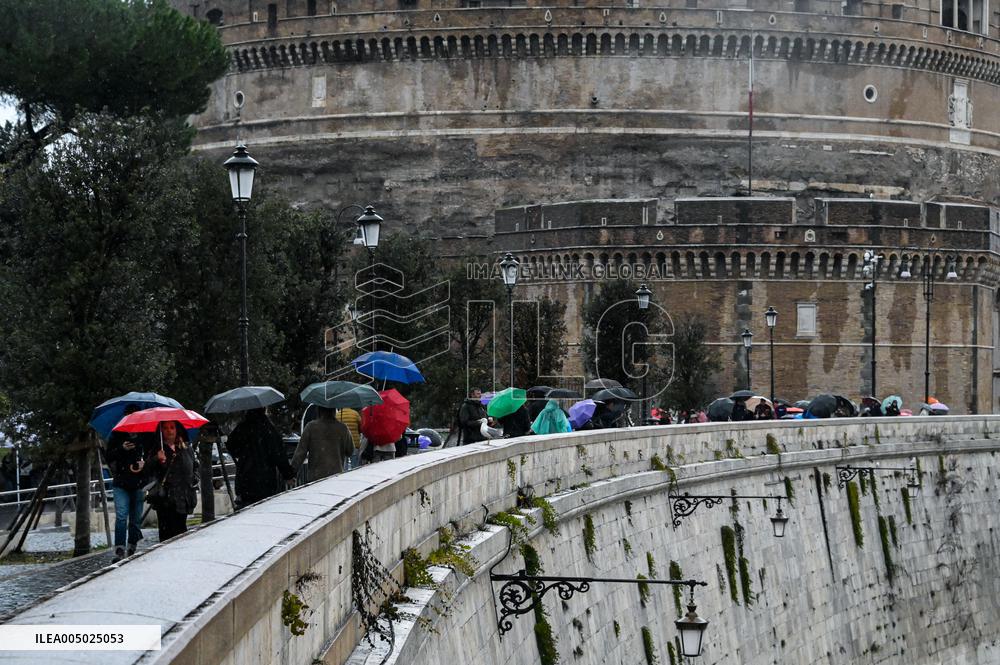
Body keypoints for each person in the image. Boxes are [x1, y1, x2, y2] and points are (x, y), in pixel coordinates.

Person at [226, 408, 296, 509]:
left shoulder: (242, 427)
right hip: (265, 480)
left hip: (245, 479)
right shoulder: (268, 429)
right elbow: (279, 454)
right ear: (263, 409)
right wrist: (288, 475)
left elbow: (231, 447)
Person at [106, 405, 149, 561]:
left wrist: (146, 463)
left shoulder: (145, 435)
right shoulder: (117, 434)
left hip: (139, 483)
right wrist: (121, 449)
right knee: (122, 516)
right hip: (121, 482)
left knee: (135, 519)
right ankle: (119, 549)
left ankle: (132, 546)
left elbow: (152, 455)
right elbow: (108, 456)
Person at [144, 421, 198, 542]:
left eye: (172, 427)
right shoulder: (157, 449)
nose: (169, 431)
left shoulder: (185, 448)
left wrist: (193, 482)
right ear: (161, 431)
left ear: (177, 430)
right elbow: (147, 470)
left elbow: (193, 468)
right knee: (166, 533)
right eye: (166, 428)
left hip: (182, 497)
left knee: (181, 532)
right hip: (165, 499)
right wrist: (157, 459)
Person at [292, 407, 355, 481]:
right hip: (336, 476)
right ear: (334, 411)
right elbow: (350, 451)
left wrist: (291, 473)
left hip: (315, 477)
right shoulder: (342, 428)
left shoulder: (311, 427)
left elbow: (300, 454)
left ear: (319, 410)